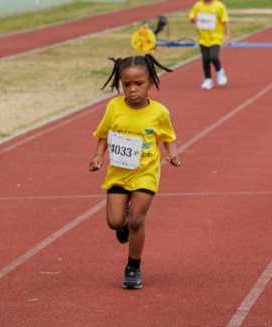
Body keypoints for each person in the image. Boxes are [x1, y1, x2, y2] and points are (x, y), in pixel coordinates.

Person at [89, 56, 182, 289]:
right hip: (119, 173)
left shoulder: (159, 112)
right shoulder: (114, 107)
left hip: (145, 173)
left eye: (138, 84)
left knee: (136, 220)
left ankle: (133, 266)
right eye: (126, 84)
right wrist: (98, 156)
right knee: (114, 221)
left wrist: (172, 154)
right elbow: (104, 133)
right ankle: (122, 223)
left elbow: (168, 137)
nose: (132, 90)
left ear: (150, 82)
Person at [189, 0, 230, 90]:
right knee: (206, 59)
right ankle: (208, 79)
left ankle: (219, 71)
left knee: (214, 56)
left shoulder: (219, 6)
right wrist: (193, 19)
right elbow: (192, 17)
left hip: (216, 37)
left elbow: (225, 21)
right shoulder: (198, 5)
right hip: (202, 38)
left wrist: (227, 35)